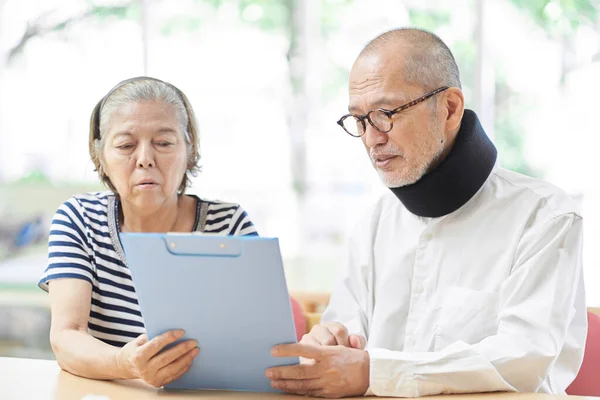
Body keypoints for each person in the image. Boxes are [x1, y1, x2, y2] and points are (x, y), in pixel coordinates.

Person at [267, 28, 586, 398]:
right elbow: (345, 335)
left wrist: (374, 372)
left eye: (386, 113)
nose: (372, 138)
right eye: (359, 120)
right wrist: (329, 342)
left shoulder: (544, 215)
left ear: (450, 109)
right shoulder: (373, 223)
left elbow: (523, 358)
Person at [39, 77, 258, 388]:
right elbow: (66, 336)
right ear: (100, 155)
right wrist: (126, 363)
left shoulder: (229, 225)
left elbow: (256, 339)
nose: (144, 159)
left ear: (189, 151)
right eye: (126, 145)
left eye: (164, 143)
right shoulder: (78, 219)